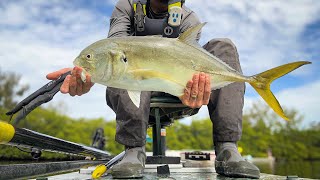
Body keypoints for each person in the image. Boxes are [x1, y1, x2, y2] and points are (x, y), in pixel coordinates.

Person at [47, 0, 260, 179]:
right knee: (126, 66)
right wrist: (85, 73)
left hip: (179, 96)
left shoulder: (188, 18)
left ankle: (227, 147)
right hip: (131, 94)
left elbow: (189, 54)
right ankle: (133, 149)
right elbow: (112, 47)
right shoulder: (127, 7)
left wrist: (194, 87)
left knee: (224, 46)